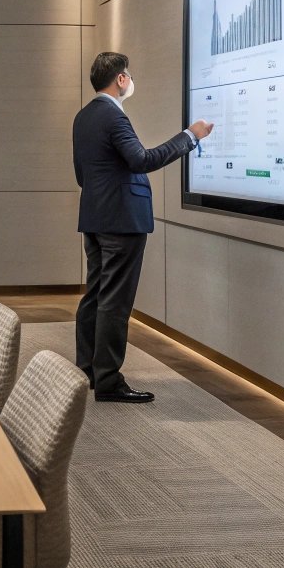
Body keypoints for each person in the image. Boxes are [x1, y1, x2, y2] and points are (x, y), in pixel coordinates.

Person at [73, 51, 213, 403]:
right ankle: (108, 380)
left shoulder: (83, 117)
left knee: (96, 294)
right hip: (122, 220)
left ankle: (88, 370)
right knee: (115, 301)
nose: (131, 82)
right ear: (121, 79)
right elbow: (142, 160)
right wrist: (190, 136)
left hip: (95, 216)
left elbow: (82, 175)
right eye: (129, 76)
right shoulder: (113, 117)